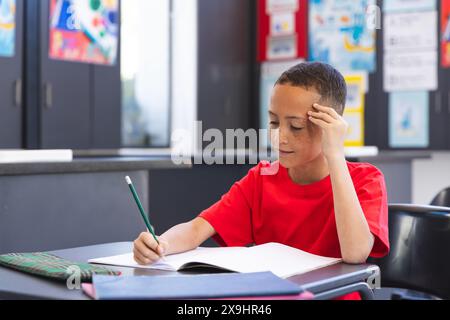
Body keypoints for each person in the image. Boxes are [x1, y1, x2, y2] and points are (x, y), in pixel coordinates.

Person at [133, 62, 390, 300]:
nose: (280, 137)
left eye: (296, 126)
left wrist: (334, 153)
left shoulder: (365, 180)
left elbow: (355, 254)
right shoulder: (262, 179)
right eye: (274, 122)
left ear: (329, 125)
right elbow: (197, 229)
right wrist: (162, 244)